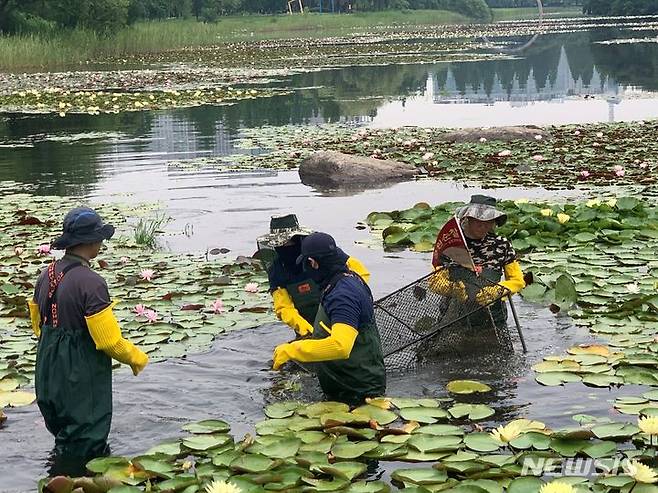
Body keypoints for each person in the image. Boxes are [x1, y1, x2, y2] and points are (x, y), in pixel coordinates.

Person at [27, 207, 148, 469]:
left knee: (64, 434)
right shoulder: (91, 282)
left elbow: (38, 326)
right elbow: (109, 342)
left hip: (47, 368)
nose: (101, 243)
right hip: (80, 373)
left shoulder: (45, 275)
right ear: (92, 242)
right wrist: (136, 358)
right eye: (100, 238)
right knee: (87, 440)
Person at [271, 232, 385, 405]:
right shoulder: (347, 278)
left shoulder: (342, 295)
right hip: (345, 383)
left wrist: (293, 350)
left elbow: (341, 346)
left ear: (313, 263)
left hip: (357, 392)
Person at [257, 214, 369, 338]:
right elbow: (283, 307)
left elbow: (359, 270)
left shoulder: (321, 251)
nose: (284, 248)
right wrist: (304, 328)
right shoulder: (277, 270)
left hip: (343, 313)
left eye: (288, 243)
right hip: (308, 328)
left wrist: (353, 296)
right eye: (279, 245)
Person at [436, 195, 526, 331]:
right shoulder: (451, 243)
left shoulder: (501, 245)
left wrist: (497, 291)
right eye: (478, 221)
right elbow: (435, 281)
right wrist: (453, 289)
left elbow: (517, 281)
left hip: (492, 316)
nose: (483, 226)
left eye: (489, 221)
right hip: (454, 314)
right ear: (468, 219)